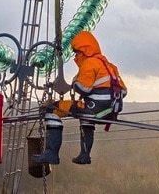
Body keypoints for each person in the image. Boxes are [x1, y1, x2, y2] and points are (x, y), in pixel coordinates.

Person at [33, 31, 127, 165]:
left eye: (76, 53)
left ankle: (51, 153)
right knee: (86, 118)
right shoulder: (109, 65)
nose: (75, 56)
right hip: (111, 111)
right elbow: (123, 91)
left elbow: (83, 88)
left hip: (95, 109)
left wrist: (75, 82)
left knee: (52, 109)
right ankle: (85, 155)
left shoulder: (89, 63)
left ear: (84, 51)